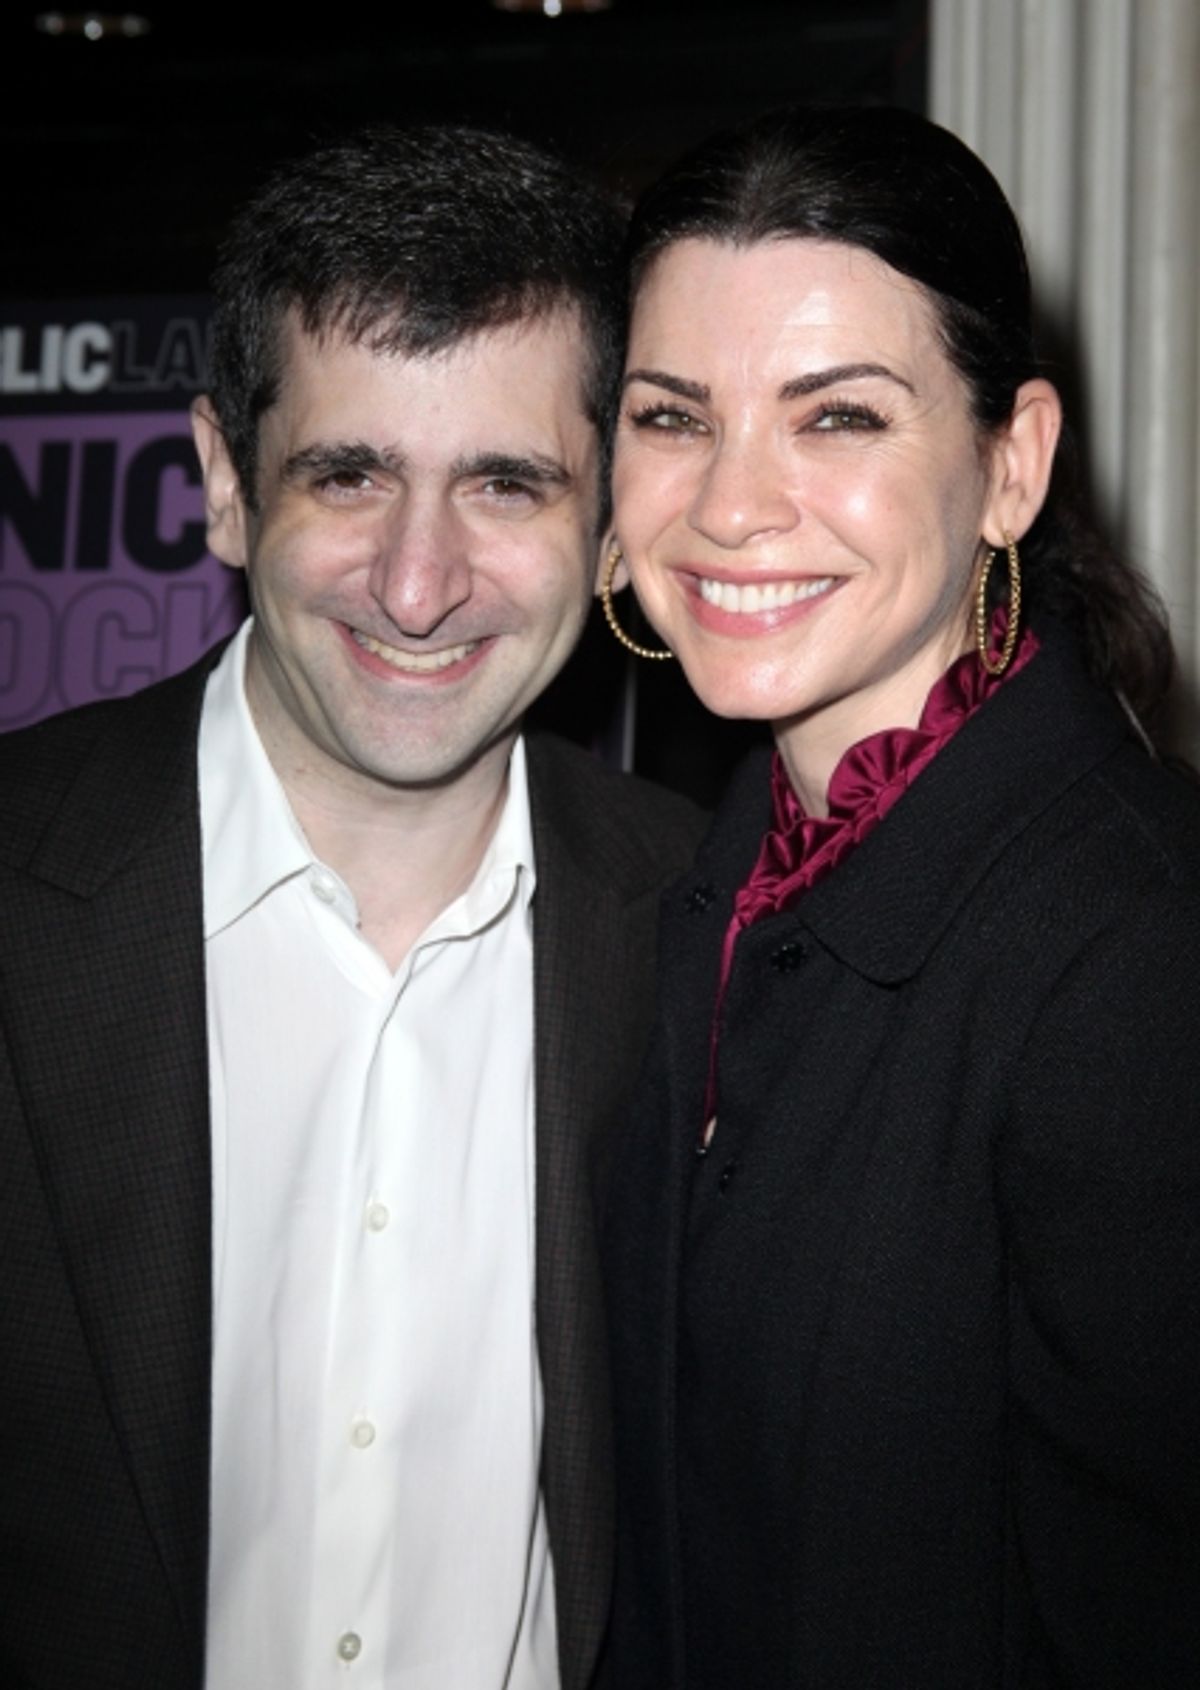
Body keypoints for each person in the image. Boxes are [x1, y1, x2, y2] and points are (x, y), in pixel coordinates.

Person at [0, 125, 705, 1690]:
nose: (415, 580)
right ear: (223, 484)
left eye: (506, 484)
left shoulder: (715, 935)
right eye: (350, 471)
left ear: (607, 529)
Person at [601, 105, 1200, 1688]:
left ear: (1013, 465)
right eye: (672, 416)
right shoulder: (687, 889)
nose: (730, 504)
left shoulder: (1134, 953)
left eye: (837, 418)